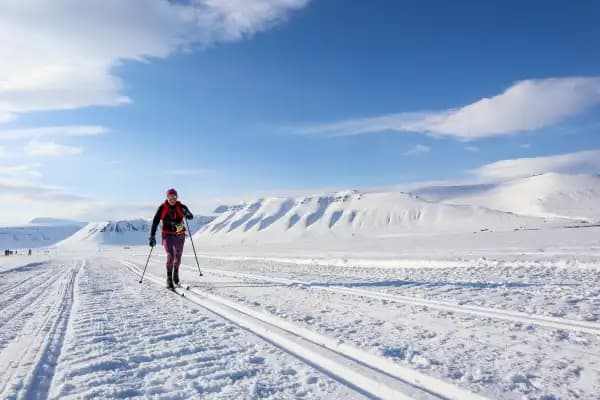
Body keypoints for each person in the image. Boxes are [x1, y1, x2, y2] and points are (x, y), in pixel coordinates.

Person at [149, 188, 193, 289]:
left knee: (178, 256)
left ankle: (176, 273)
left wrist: (187, 214)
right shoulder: (162, 208)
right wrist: (152, 236)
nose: (172, 199)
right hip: (167, 235)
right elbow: (155, 222)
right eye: (170, 197)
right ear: (167, 197)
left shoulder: (182, 207)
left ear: (177, 197)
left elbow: (191, 217)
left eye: (174, 197)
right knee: (170, 255)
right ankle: (169, 278)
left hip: (180, 235)